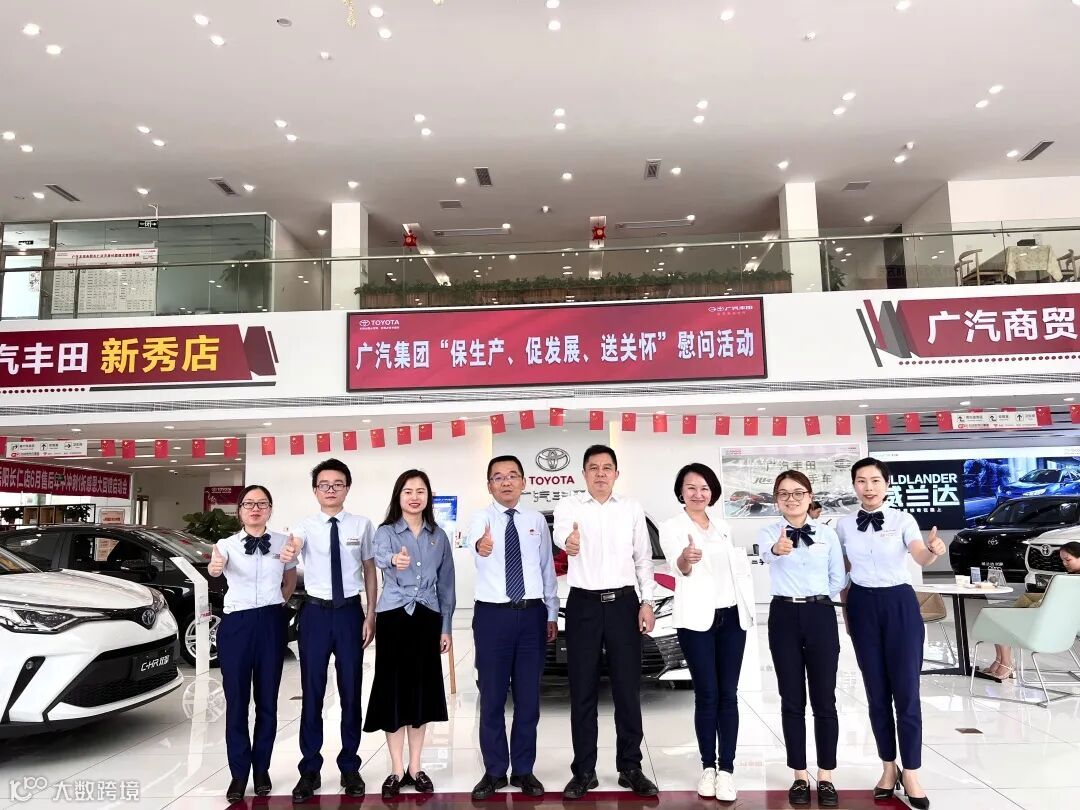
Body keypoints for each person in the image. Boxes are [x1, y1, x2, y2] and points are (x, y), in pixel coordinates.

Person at [837, 458, 946, 810]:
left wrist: (933, 551)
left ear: (887, 484)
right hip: (861, 606)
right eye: (861, 481)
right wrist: (847, 613)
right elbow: (843, 573)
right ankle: (888, 767)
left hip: (899, 603)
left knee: (906, 691)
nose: (868, 487)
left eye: (875, 480)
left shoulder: (903, 520)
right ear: (854, 485)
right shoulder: (843, 525)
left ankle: (911, 771)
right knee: (876, 693)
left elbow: (920, 556)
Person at [553, 444, 658, 799]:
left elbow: (643, 559)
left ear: (616, 473)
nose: (600, 473)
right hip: (583, 604)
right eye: (593, 468)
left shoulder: (631, 508)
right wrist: (568, 541)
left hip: (624, 604)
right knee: (582, 690)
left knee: (627, 690)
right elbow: (561, 534)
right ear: (583, 473)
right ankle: (584, 771)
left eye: (606, 467)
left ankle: (630, 767)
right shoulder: (570, 506)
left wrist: (647, 602)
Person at [280, 459, 377, 803]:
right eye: (324, 484)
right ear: (315, 490)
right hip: (316, 614)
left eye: (338, 484)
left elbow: (369, 569)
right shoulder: (304, 526)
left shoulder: (362, 525)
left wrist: (371, 614)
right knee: (313, 693)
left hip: (350, 613)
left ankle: (350, 765)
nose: (331, 489)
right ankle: (310, 768)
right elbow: (293, 549)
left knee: (351, 691)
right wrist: (289, 550)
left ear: (347, 488)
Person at [659, 463, 755, 802]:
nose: (698, 494)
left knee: (729, 694)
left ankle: (726, 769)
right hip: (696, 622)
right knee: (707, 694)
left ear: (712, 492)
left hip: (731, 618)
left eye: (704, 488)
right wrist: (686, 558)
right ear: (681, 492)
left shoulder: (723, 526)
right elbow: (678, 567)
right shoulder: (672, 527)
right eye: (691, 488)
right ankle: (708, 767)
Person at [468, 455, 559, 801]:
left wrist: (551, 612)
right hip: (492, 617)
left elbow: (547, 568)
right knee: (492, 697)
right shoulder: (481, 519)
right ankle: (494, 771)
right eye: (498, 477)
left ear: (523, 482)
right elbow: (475, 545)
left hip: (532, 615)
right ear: (489, 485)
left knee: (528, 699)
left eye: (512, 476)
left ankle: (523, 769)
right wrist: (482, 546)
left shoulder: (535, 520)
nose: (506, 482)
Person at [364, 469, 456, 800]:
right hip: (394, 617)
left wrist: (446, 626)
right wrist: (394, 559)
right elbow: (380, 558)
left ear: (428, 497)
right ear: (398, 497)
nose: (414, 497)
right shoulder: (386, 531)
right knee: (393, 692)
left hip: (427, 618)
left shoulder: (438, 536)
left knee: (420, 692)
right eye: (407, 491)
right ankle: (395, 768)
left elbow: (447, 583)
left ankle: (416, 767)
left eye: (420, 491)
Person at [757, 471, 846, 808]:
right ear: (776, 500)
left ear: (810, 497)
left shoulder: (827, 534)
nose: (791, 499)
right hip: (783, 615)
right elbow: (766, 554)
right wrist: (777, 550)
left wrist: (817, 597)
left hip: (820, 614)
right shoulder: (769, 532)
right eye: (783, 494)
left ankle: (826, 776)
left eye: (798, 493)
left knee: (825, 698)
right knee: (791, 698)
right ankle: (798, 775)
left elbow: (838, 578)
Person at [209, 485, 298, 804]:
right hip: (237, 624)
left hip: (271, 622)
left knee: (267, 701)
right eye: (249, 504)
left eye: (262, 503)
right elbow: (215, 569)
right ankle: (238, 773)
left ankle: (261, 769)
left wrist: (278, 603)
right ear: (240, 511)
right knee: (237, 702)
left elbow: (290, 578)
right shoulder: (226, 544)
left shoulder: (284, 542)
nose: (255, 508)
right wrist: (214, 568)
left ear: (270, 509)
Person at [980, 540, 1080, 679]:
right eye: (1062, 560)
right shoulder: (1070, 579)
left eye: (1068, 560)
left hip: (1055, 626)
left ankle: (1006, 663)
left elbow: (1060, 605)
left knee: (1000, 622)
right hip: (1058, 622)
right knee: (1003, 617)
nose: (1064, 563)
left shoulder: (1071, 581)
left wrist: (1032, 609)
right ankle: (1000, 661)